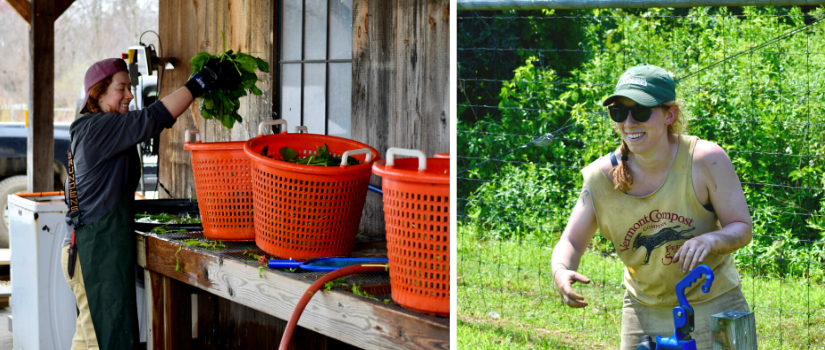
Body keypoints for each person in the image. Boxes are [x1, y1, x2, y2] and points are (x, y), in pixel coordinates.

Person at [550, 64, 753, 350]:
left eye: (641, 111)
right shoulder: (601, 178)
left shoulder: (705, 160)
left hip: (712, 304)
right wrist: (561, 270)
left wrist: (711, 239)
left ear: (670, 115)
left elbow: (742, 228)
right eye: (619, 111)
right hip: (643, 312)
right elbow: (571, 240)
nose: (629, 122)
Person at [60, 57, 239, 350]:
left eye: (130, 87)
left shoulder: (89, 128)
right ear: (98, 93)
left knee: (89, 338)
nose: (130, 95)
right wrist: (197, 84)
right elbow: (153, 117)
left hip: (87, 250)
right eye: (121, 88)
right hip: (94, 257)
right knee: (104, 342)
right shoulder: (99, 128)